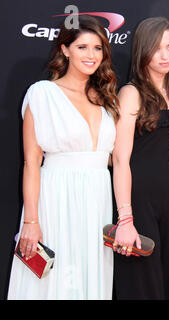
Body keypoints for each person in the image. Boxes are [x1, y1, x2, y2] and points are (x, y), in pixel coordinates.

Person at [7, 15, 119, 299]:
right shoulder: (43, 94)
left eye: (97, 48)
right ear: (65, 50)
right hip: (56, 197)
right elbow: (31, 162)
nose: (91, 55)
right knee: (53, 282)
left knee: (89, 278)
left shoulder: (107, 99)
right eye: (82, 47)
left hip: (97, 200)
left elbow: (112, 159)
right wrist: (30, 222)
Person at [112, 17, 169, 299]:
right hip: (140, 203)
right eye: (156, 48)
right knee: (143, 287)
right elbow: (120, 159)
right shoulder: (131, 93)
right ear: (143, 50)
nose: (164, 55)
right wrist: (125, 218)